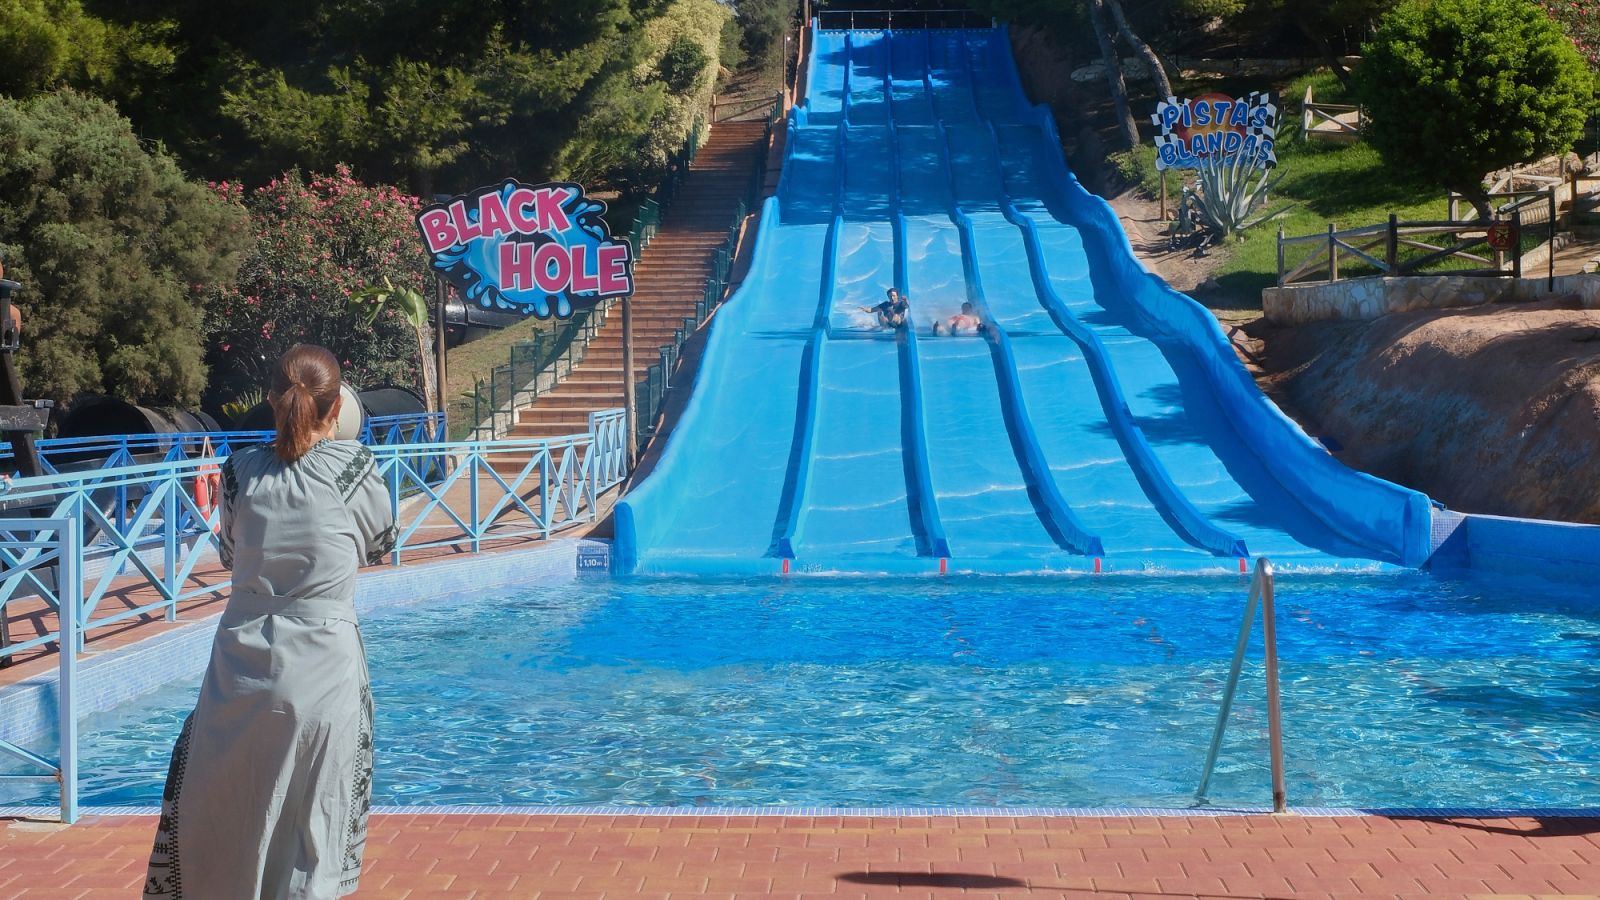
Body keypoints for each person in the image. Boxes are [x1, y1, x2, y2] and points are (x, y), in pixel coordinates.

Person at [144, 344, 396, 900]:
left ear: (268, 399)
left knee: (231, 819)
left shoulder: (239, 471)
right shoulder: (352, 467)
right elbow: (380, 543)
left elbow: (232, 554)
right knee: (313, 833)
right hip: (323, 669)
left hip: (240, 668)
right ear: (335, 410)